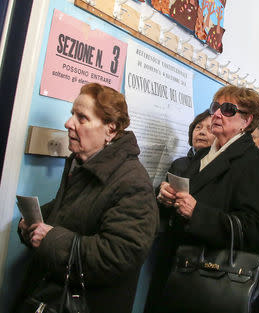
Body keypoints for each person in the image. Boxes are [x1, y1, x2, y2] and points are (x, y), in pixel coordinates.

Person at [15, 83, 158, 313]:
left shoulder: (133, 183)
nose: (68, 123)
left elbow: (118, 254)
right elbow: (77, 211)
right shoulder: (81, 163)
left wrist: (50, 240)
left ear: (110, 129)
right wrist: (34, 223)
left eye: (82, 118)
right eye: (72, 114)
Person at [155, 85, 259, 312]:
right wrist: (165, 198)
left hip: (214, 275)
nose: (217, 114)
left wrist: (197, 213)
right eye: (215, 107)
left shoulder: (256, 164)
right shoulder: (201, 156)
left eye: (228, 109)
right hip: (178, 266)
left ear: (246, 121)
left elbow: (255, 228)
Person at [145, 110, 215, 312]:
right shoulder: (179, 163)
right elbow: (160, 206)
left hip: (199, 250)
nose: (201, 132)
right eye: (198, 127)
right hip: (171, 244)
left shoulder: (216, 168)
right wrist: (161, 194)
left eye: (209, 129)